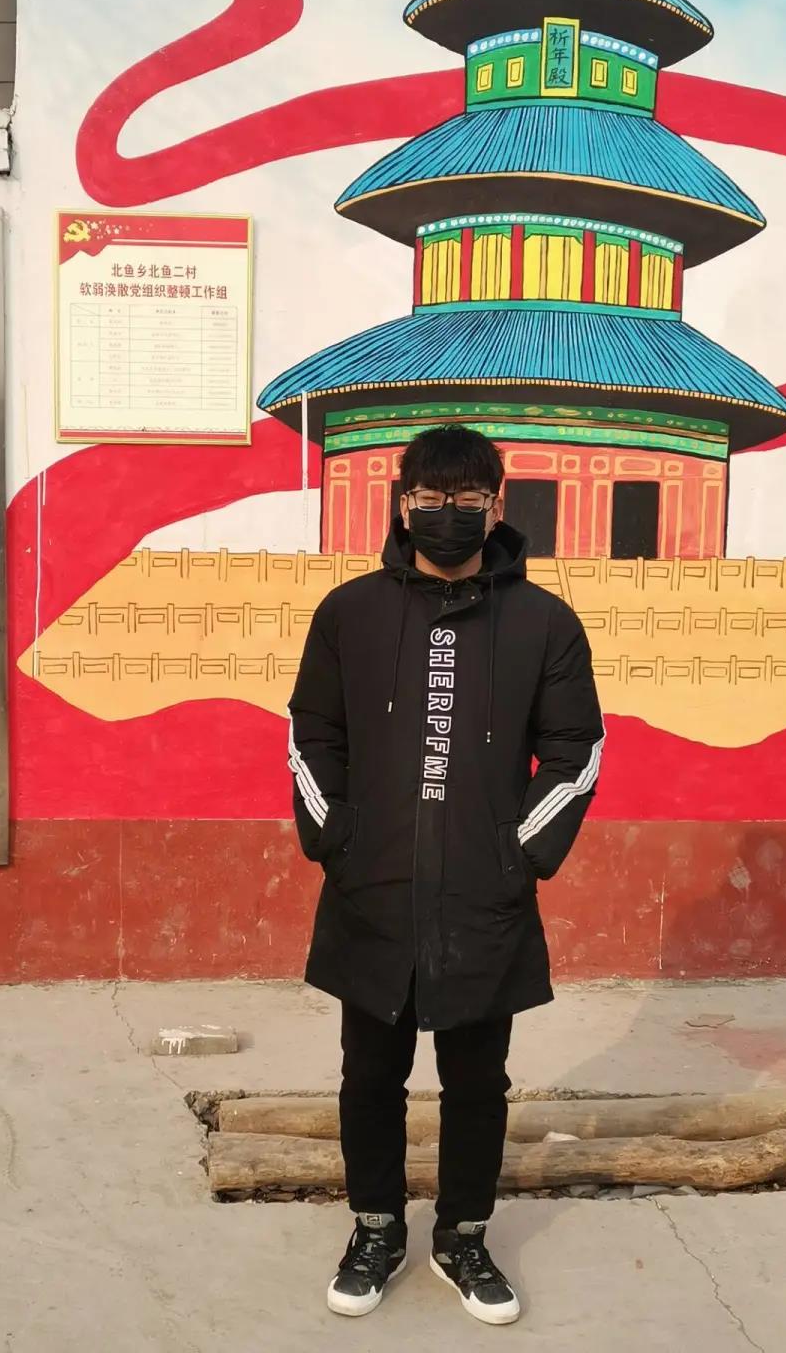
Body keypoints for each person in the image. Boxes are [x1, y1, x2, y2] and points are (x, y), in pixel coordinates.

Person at [288, 425, 603, 1324]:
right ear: (403, 504)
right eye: (431, 500)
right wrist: (336, 837)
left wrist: (519, 854)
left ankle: (462, 1234)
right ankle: (376, 1226)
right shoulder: (349, 614)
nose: (449, 515)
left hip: (481, 897)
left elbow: (575, 749)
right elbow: (313, 732)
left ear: (497, 508)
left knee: (477, 1082)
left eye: (468, 500)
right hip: (374, 890)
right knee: (368, 1076)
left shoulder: (544, 623)